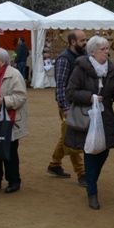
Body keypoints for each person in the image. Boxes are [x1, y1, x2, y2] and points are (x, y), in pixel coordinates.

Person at [64, 35, 114, 210]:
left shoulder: (112, 68)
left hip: (105, 116)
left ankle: (91, 179)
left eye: (108, 49)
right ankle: (92, 191)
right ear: (92, 52)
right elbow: (70, 92)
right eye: (103, 49)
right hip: (87, 116)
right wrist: (91, 97)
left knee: (104, 150)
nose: (107, 52)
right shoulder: (81, 68)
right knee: (90, 150)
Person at [0, 48, 28, 195]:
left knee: (10, 152)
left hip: (10, 121)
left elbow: (21, 97)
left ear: (2, 62)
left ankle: (14, 181)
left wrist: (3, 101)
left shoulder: (14, 75)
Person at [48, 30, 87, 186]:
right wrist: (64, 107)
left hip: (79, 104)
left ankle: (54, 164)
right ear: (73, 42)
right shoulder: (64, 59)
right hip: (69, 106)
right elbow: (60, 85)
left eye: (86, 39)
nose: (85, 42)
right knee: (73, 136)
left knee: (67, 135)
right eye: (82, 40)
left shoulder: (82, 57)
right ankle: (82, 173)